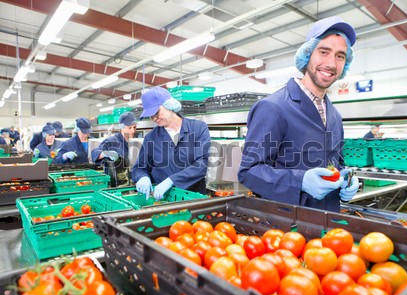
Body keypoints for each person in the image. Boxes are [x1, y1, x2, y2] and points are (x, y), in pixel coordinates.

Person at [238, 16, 359, 212]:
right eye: (323, 52)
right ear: (308, 54)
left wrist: (346, 177)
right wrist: (300, 181)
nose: (331, 63)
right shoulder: (273, 107)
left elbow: (336, 161)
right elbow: (249, 172)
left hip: (329, 221)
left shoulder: (334, 114)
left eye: (340, 56)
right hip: (287, 226)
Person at [132, 87, 210, 200]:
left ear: (169, 105)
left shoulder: (198, 128)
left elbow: (202, 163)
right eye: (150, 115)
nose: (154, 118)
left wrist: (172, 181)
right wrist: (142, 177)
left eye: (156, 112)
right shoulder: (151, 137)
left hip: (194, 199)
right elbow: (140, 168)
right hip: (164, 200)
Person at [91, 112, 137, 186]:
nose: (133, 131)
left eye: (134, 127)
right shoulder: (111, 141)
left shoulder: (134, 142)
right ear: (122, 127)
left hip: (130, 184)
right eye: (130, 128)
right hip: (114, 186)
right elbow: (94, 153)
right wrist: (106, 153)